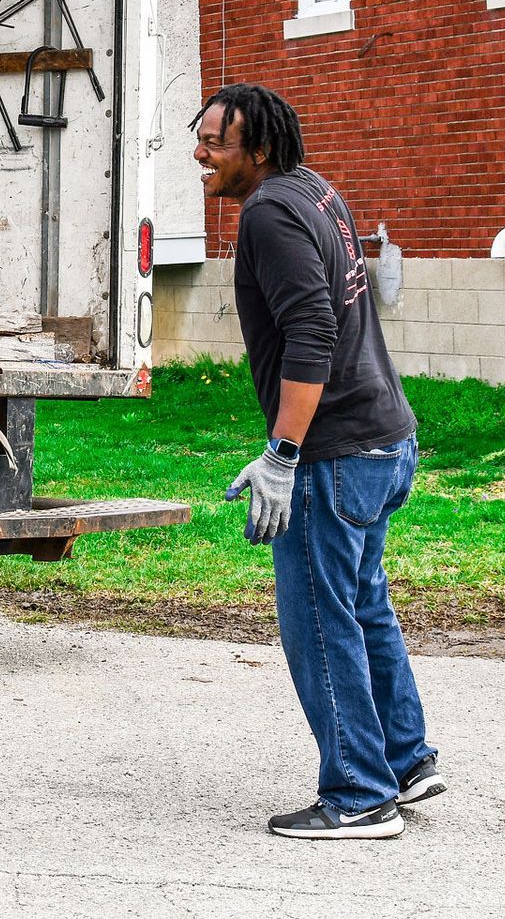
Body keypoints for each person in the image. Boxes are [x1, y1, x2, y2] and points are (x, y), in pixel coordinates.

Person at [192, 82, 445, 840]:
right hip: (383, 439)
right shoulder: (313, 189)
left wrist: (282, 454)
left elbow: (310, 333)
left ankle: (361, 796)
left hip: (335, 455)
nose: (199, 155)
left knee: (320, 622)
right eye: (198, 138)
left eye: (215, 143)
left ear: (258, 150)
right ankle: (406, 761)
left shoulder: (268, 213)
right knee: (364, 606)